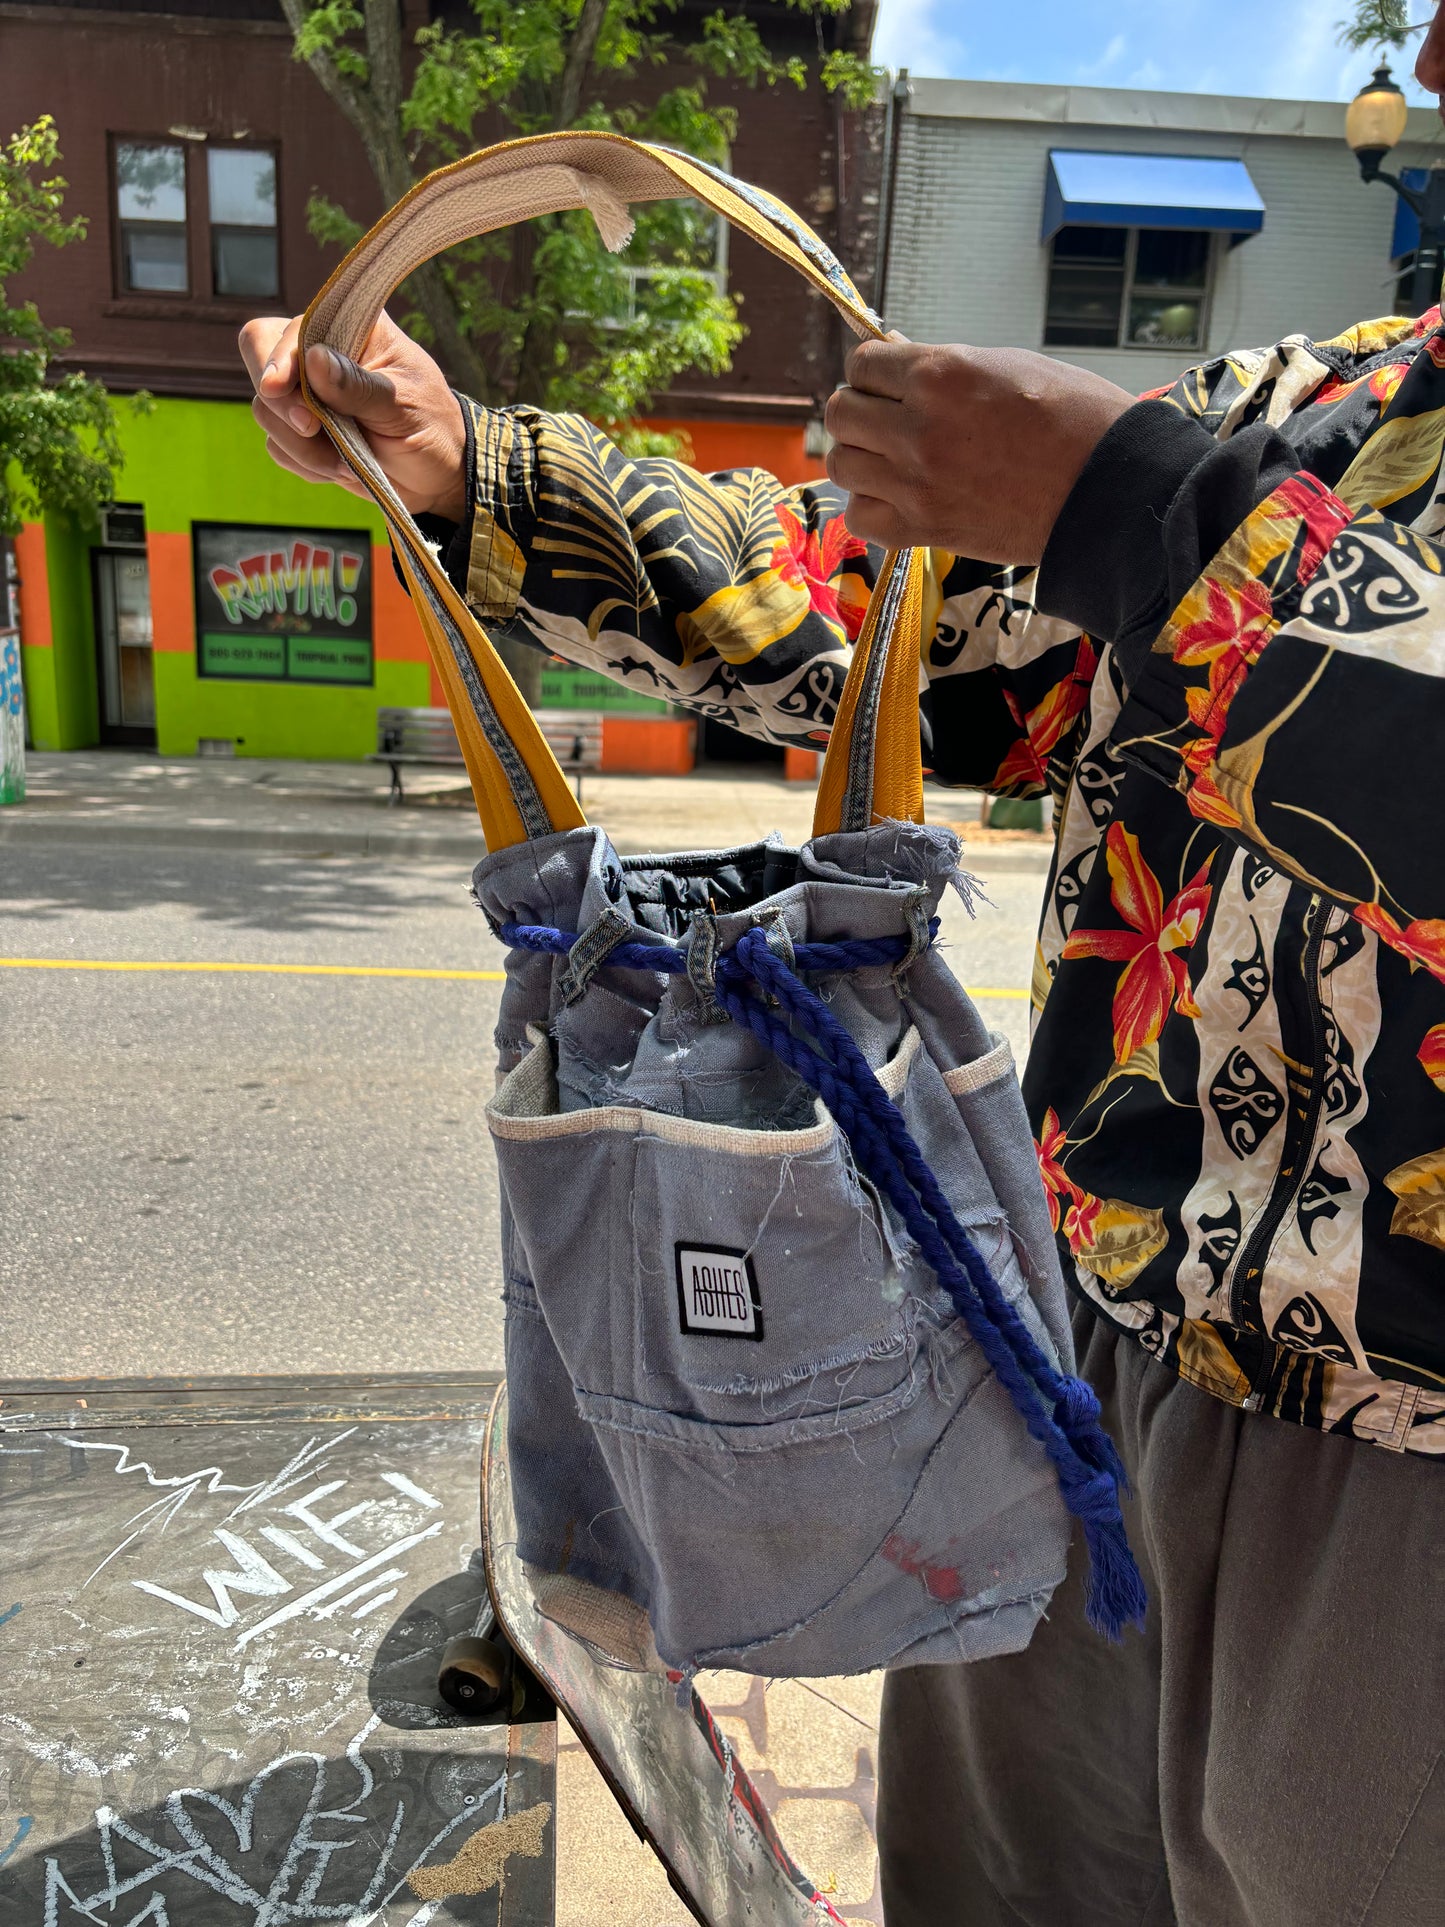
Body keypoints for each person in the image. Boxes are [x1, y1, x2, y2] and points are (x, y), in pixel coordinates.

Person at [241, 28, 1445, 1921]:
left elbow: (1165, 561)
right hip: (1079, 1345)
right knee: (1000, 1887)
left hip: (1407, 1455)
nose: (1439, 42)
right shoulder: (1344, 400)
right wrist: (479, 469)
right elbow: (892, 620)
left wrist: (1154, 524)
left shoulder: (1251, 459)